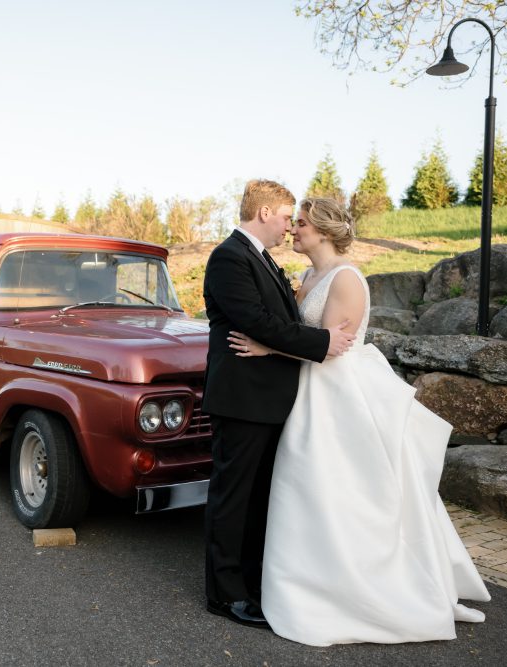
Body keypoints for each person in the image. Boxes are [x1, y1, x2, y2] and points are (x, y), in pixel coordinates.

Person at [228, 197, 491, 646]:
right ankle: (309, 580)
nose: (294, 230)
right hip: (309, 393)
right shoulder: (309, 276)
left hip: (337, 395)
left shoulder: (346, 278)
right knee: (310, 491)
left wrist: (266, 347)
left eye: (303, 224)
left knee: (345, 491)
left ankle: (363, 589)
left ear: (326, 231)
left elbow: (327, 345)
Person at [202, 180, 356, 629]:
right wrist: (323, 341)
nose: (290, 226)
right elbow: (257, 322)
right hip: (243, 397)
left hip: (269, 400)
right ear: (266, 212)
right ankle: (224, 595)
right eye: (287, 216)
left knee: (257, 499)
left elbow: (275, 322)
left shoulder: (263, 258)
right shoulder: (229, 257)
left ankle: (251, 584)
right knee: (233, 498)